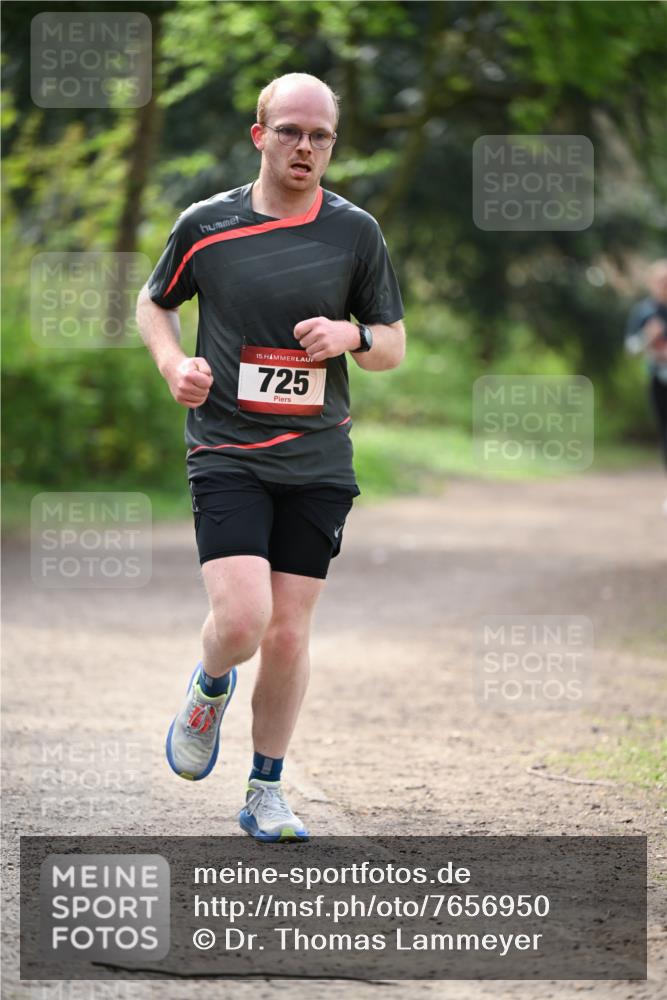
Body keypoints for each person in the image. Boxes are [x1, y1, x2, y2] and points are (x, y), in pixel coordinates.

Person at [136, 73, 405, 842]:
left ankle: (264, 790)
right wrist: (171, 365)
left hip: (318, 459)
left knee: (288, 632)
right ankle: (209, 684)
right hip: (227, 449)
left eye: (320, 136)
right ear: (260, 136)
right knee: (244, 619)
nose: (306, 147)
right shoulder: (206, 225)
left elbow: (391, 344)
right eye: (290, 131)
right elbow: (154, 301)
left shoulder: (355, 232)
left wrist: (351, 336)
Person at [625, 259, 667, 475]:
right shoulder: (644, 312)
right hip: (658, 378)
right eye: (661, 281)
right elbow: (631, 349)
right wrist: (647, 338)